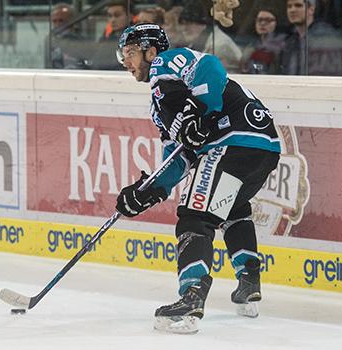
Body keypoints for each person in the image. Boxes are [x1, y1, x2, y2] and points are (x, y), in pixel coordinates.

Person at [116, 23, 280, 334]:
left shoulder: (164, 65)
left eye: (131, 53)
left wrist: (199, 111)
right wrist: (149, 191)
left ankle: (191, 297)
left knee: (194, 216)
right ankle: (248, 281)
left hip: (235, 139)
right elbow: (179, 156)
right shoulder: (160, 107)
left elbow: (210, 66)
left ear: (151, 51)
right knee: (231, 208)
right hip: (263, 146)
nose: (126, 62)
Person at [279, 0, 342, 75]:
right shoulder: (291, 40)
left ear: (311, 10)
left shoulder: (323, 36)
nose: (292, 10)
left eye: (298, 5)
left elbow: (325, 73)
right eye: (289, 6)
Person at [178, 0, 243, 73]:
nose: (184, 29)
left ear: (203, 24)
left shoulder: (220, 46)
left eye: (189, 23)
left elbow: (218, 78)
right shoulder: (196, 43)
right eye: (182, 24)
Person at [240, 8, 286, 74]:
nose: (263, 23)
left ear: (276, 23)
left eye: (268, 20)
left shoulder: (283, 45)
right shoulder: (251, 45)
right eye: (259, 20)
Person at [44, 3, 87, 69]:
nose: (57, 24)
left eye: (61, 20)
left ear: (71, 21)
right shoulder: (49, 41)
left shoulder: (83, 42)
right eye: (54, 21)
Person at [92, 0, 132, 70]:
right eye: (110, 16)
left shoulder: (134, 39)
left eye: (117, 15)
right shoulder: (107, 37)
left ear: (129, 17)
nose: (112, 20)